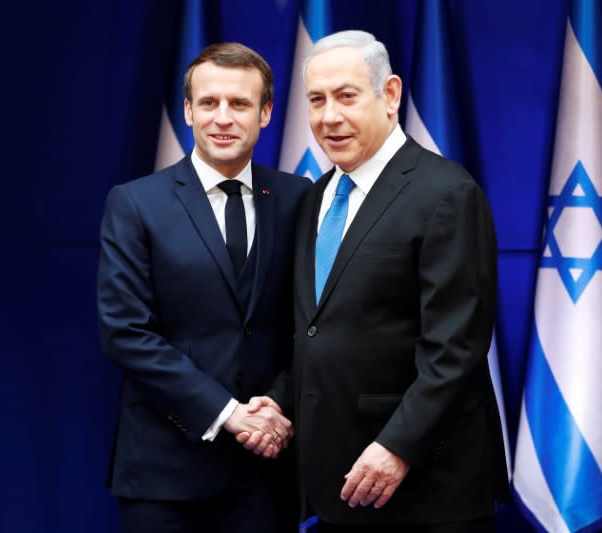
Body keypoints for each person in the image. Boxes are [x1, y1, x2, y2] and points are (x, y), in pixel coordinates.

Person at [261, 30, 510, 532]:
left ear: (390, 94)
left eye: (347, 96)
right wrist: (280, 399)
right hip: (340, 486)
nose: (330, 116)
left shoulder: (446, 193)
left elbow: (455, 348)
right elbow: (318, 330)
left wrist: (399, 446)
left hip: (428, 491)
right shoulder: (315, 200)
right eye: (316, 100)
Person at [97, 42, 310, 533]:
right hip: (164, 472)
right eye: (209, 103)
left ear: (266, 113)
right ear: (189, 112)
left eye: (239, 104)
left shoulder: (300, 199)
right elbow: (125, 332)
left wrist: (275, 405)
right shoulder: (135, 203)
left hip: (267, 468)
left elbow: (311, 323)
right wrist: (228, 414)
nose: (223, 117)